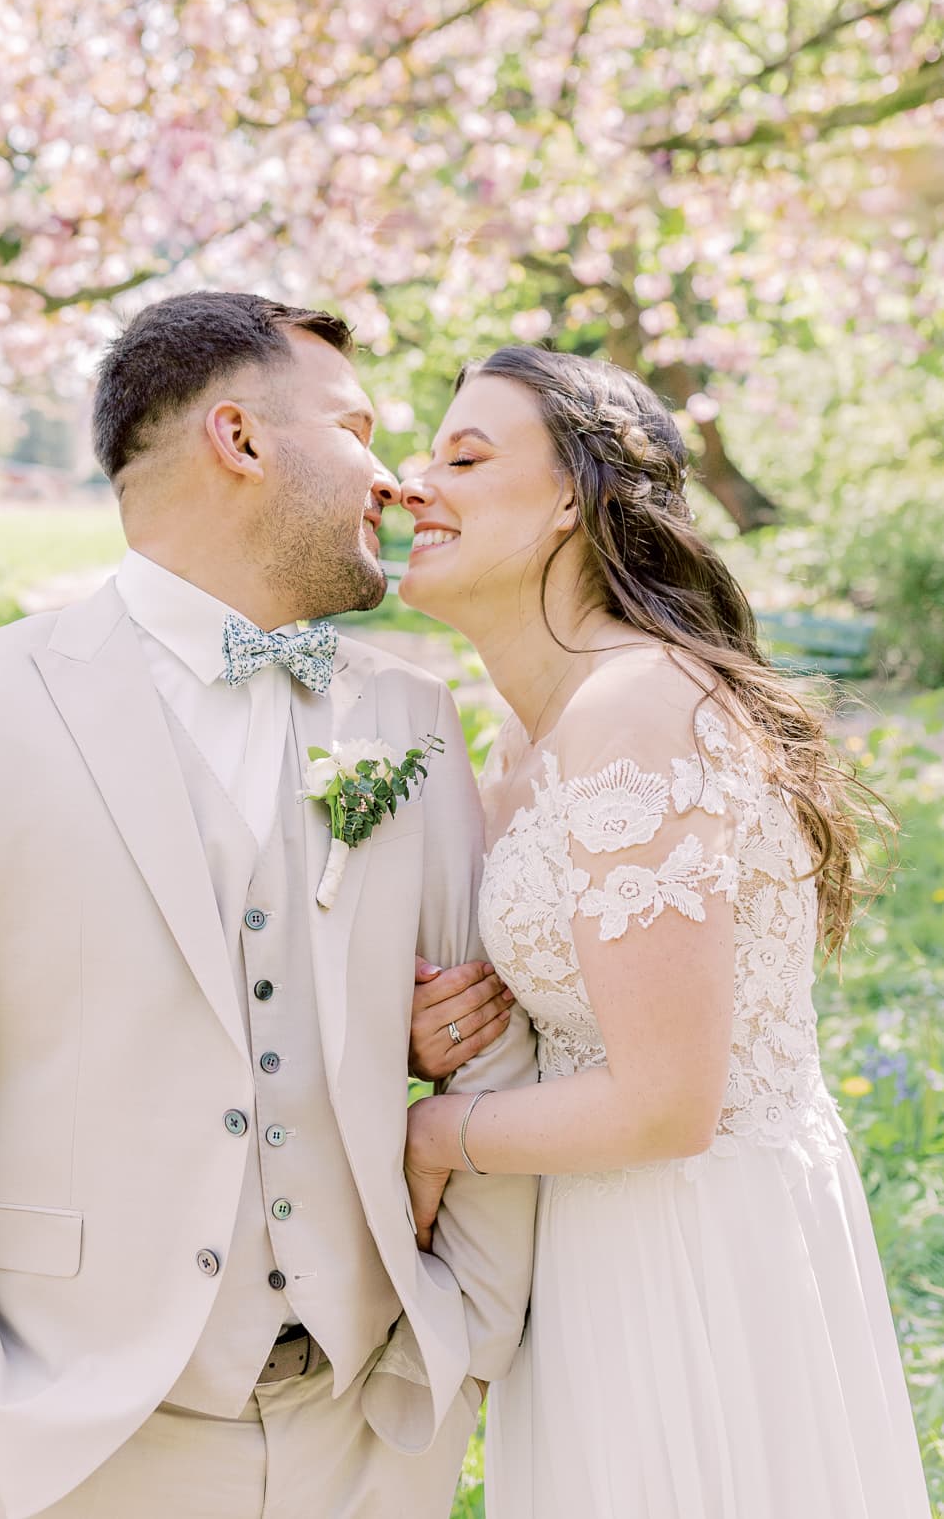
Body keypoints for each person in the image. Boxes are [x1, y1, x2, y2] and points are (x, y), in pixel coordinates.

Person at [0, 292, 538, 1519]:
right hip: (80, 1437)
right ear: (239, 439)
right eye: (355, 430)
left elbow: (493, 1035)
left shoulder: (408, 715)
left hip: (372, 1428)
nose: (393, 479)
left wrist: (467, 1338)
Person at [399, 344, 931, 1519]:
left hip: (693, 1249)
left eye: (465, 459)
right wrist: (444, 1028)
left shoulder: (638, 706)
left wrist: (430, 1135)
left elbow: (663, 1103)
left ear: (571, 500)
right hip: (596, 1240)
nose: (411, 484)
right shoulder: (528, 733)